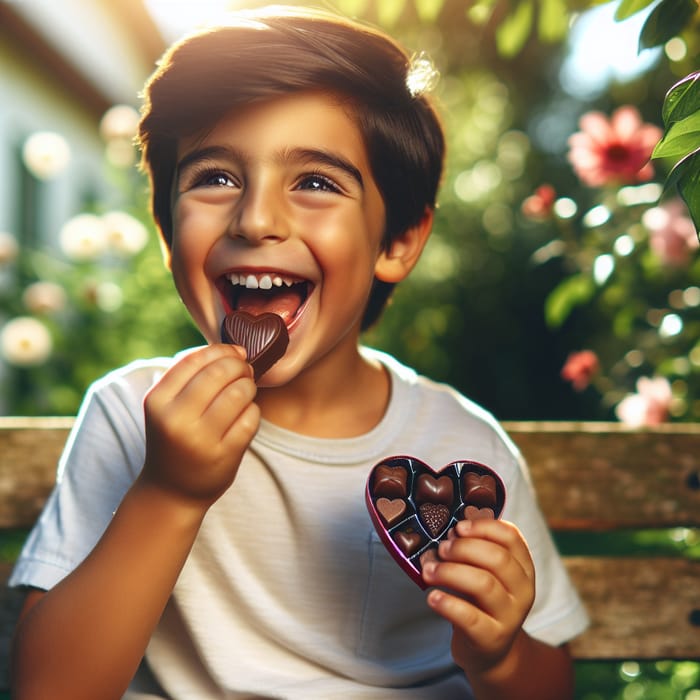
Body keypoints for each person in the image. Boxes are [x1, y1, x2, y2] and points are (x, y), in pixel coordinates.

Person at [9, 6, 589, 699]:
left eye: (316, 182)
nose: (256, 219)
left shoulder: (464, 448)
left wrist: (498, 656)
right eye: (216, 177)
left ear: (398, 240)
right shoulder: (130, 415)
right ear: (167, 230)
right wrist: (168, 491)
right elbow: (49, 690)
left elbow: (549, 683)